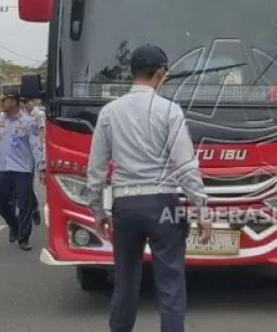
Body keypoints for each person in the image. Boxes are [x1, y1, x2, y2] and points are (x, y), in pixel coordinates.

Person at [84, 44, 213, 332]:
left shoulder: (109, 113)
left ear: (131, 73)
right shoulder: (170, 111)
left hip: (125, 207)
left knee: (125, 282)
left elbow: (96, 169)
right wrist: (202, 210)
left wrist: (97, 211)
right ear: (160, 74)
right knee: (170, 283)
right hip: (163, 205)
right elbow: (186, 166)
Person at [0, 87, 45, 251]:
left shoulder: (28, 122)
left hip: (22, 169)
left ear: (13, 102)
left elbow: (36, 146)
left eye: (4, 100)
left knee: (24, 204)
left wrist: (41, 167)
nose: (1, 103)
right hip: (2, 167)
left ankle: (24, 238)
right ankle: (14, 225)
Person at [21, 98, 45, 226]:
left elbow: (41, 132)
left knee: (31, 183)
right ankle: (32, 207)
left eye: (28, 102)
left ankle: (33, 207)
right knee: (26, 184)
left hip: (37, 149)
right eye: (24, 103)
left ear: (33, 102)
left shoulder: (39, 114)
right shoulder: (24, 116)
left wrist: (41, 149)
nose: (26, 105)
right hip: (26, 152)